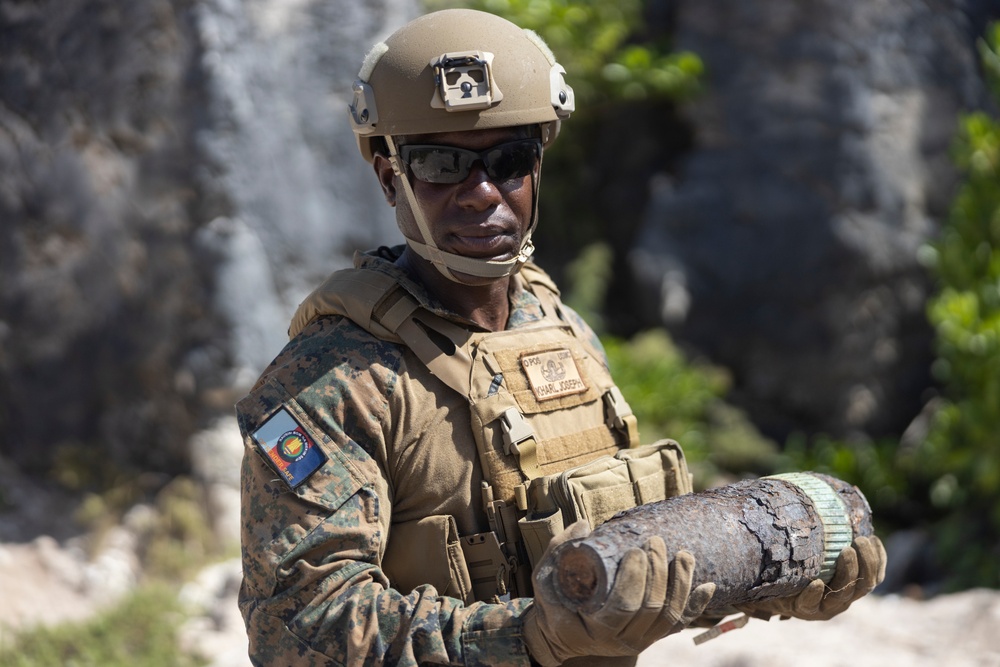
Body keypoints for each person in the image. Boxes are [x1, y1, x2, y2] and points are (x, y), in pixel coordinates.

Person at [235, 8, 887, 667]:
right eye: (441, 164)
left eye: (509, 160)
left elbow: (628, 575)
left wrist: (775, 572)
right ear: (389, 177)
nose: (482, 192)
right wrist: (528, 636)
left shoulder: (561, 331)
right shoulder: (333, 382)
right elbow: (297, 628)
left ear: (537, 167)